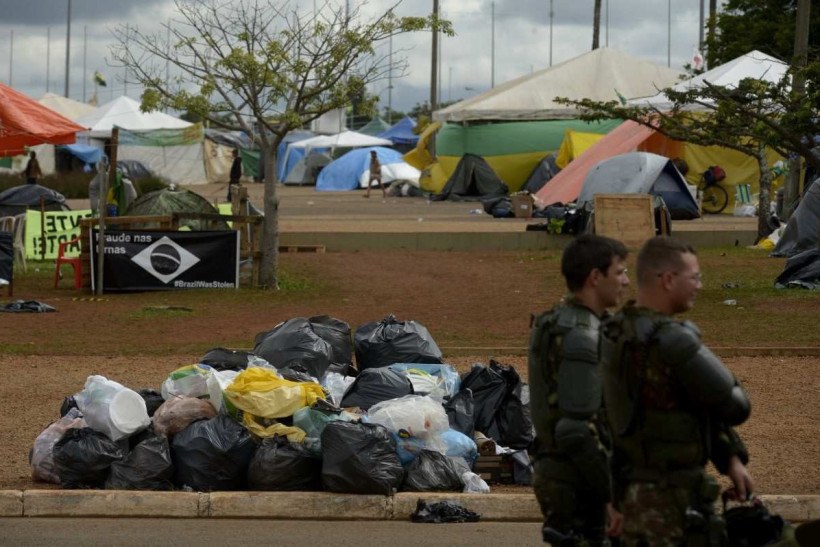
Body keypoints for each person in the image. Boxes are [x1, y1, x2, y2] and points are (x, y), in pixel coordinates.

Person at [600, 235, 753, 546]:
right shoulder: (672, 341)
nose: (698, 285)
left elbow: (683, 405)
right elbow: (736, 406)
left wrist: (730, 458)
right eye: (694, 277)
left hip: (629, 494)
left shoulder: (614, 332)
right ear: (668, 279)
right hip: (671, 502)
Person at [528, 234, 630, 545]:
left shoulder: (561, 321)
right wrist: (610, 496)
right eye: (620, 272)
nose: (626, 281)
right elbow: (575, 430)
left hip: (569, 474)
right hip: (578, 480)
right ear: (595, 277)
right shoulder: (580, 335)